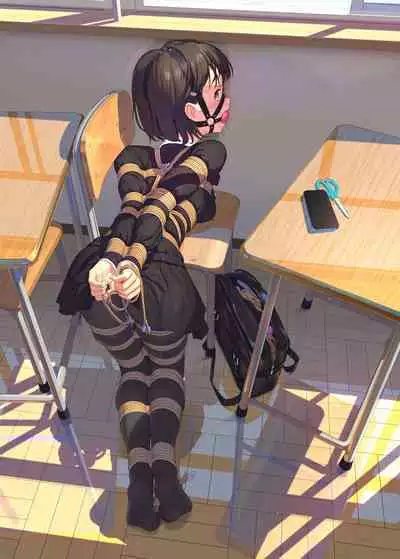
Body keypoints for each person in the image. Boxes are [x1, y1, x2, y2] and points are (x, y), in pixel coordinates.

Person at [57, 39, 233, 531]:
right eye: (218, 93)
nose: (226, 101)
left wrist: (114, 259)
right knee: (166, 372)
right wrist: (132, 265)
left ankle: (139, 479)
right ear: (190, 108)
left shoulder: (131, 156)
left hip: (106, 283)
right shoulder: (210, 152)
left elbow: (137, 209)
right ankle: (164, 472)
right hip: (157, 287)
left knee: (134, 369)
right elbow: (161, 212)